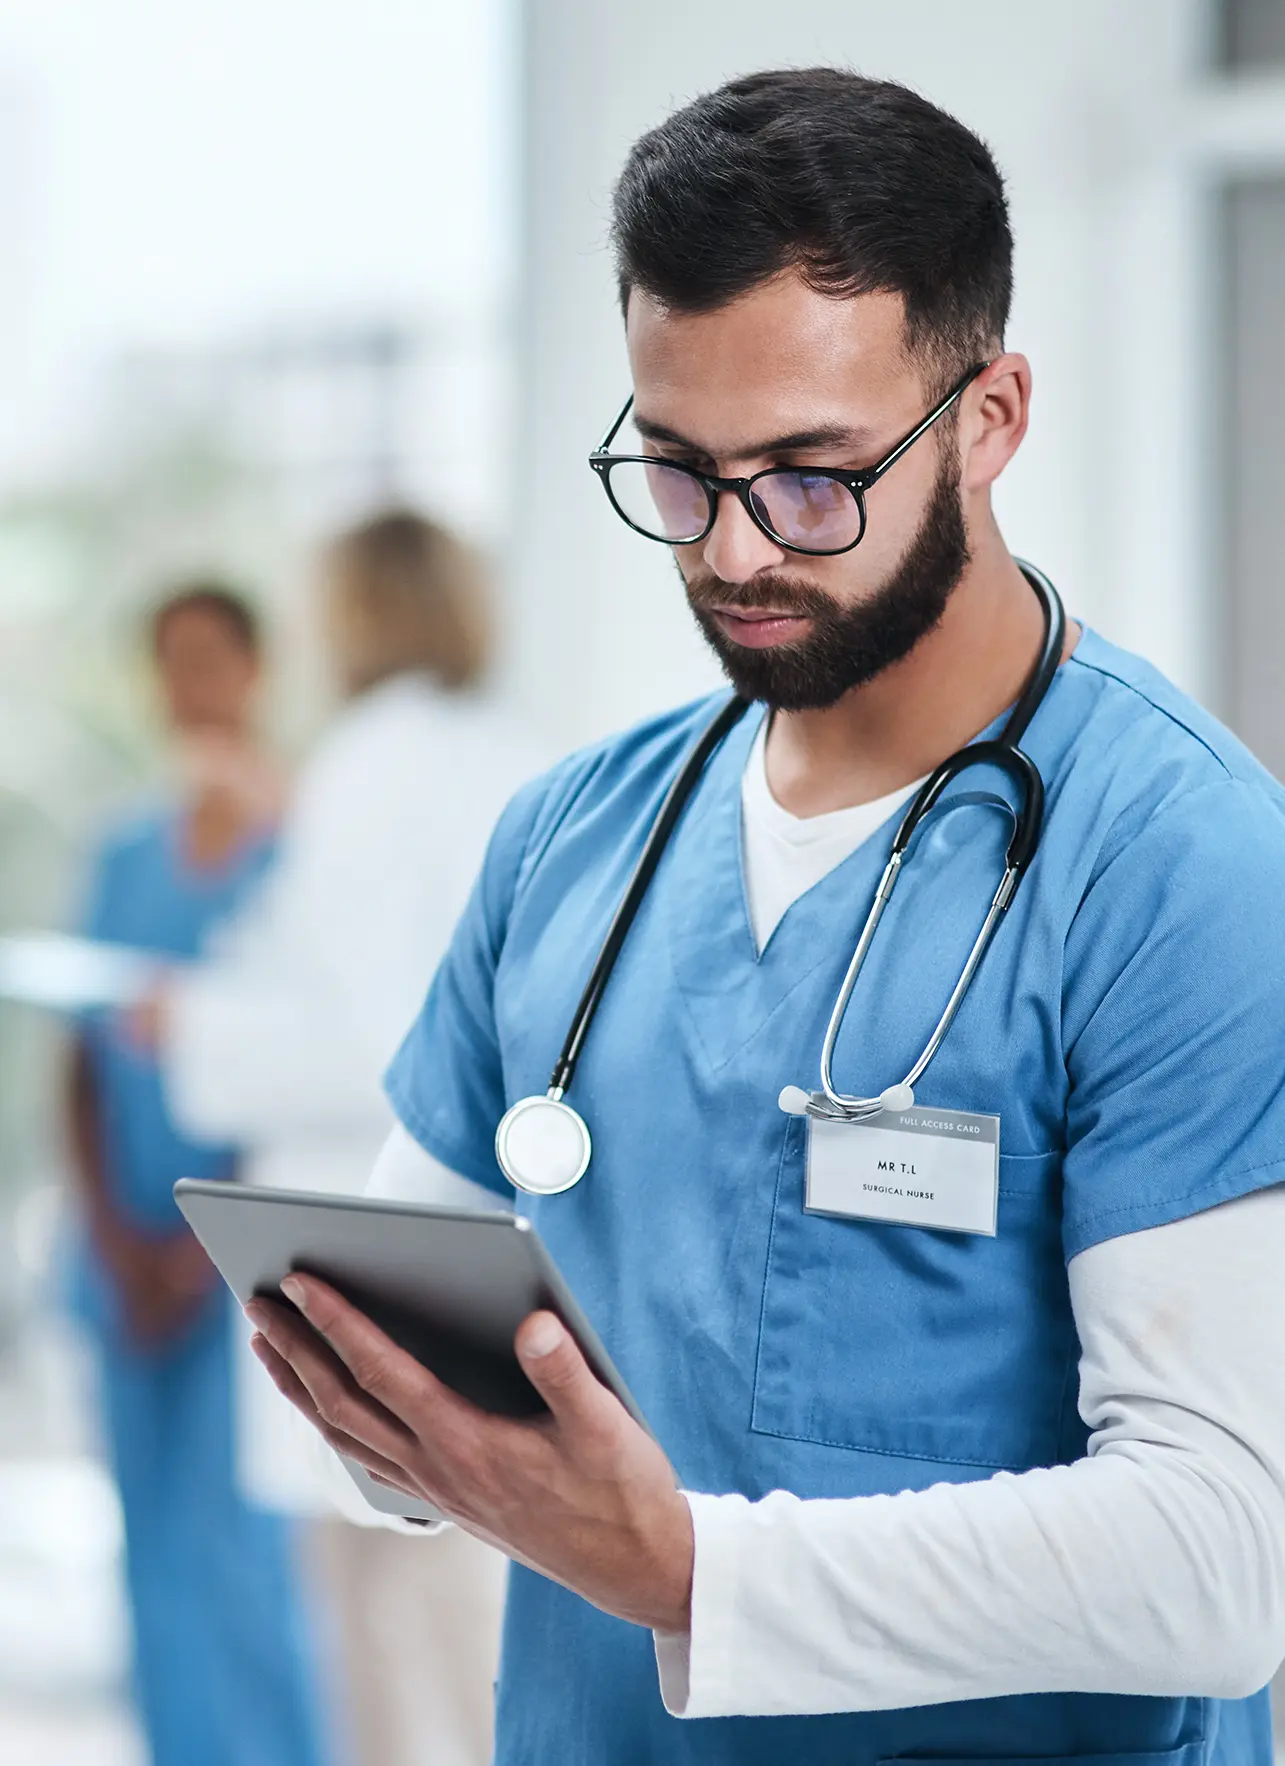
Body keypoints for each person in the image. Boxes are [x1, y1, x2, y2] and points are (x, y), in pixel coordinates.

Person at [246, 70, 1285, 1766]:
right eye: (676, 469)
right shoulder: (572, 841)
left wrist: (687, 1570)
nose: (736, 551)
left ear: (990, 416)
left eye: (812, 477)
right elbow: (400, 1366)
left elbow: (1222, 1561)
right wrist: (386, 1422)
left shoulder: (1183, 860)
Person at [154, 512, 526, 1766]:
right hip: (481, 1253)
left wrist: (193, 1023)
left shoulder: (370, 765)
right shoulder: (507, 752)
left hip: (370, 1249)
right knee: (469, 1654)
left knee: (396, 1671)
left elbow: (380, 1036)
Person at [65, 584, 325, 1766]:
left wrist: (198, 1240)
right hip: (124, 1258)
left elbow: (301, 1054)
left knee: (247, 1555)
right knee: (151, 1551)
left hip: (243, 1260)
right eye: (169, 660)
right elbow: (77, 1052)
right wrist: (116, 1237)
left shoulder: (303, 842)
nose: (191, 683)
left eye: (212, 655)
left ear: (258, 668)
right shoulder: (123, 850)